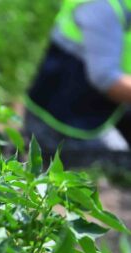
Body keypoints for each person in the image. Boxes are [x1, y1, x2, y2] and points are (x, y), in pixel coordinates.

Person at [25, 0, 131, 167]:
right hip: (62, 125)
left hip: (99, 106)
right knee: (121, 165)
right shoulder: (103, 7)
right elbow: (107, 80)